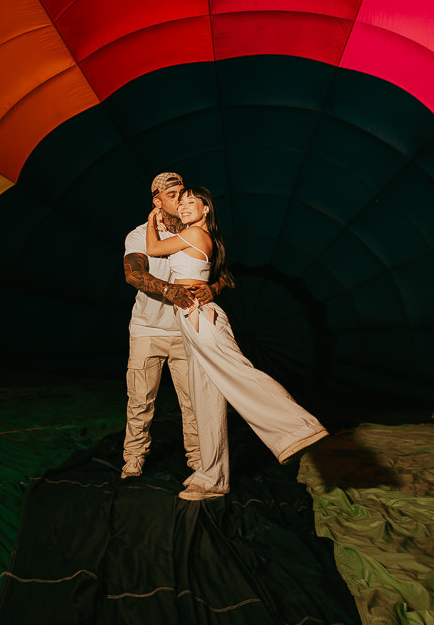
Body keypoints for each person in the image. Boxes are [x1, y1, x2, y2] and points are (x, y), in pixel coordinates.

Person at [146, 186, 328, 501]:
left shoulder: (195, 235)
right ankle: (213, 477)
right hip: (190, 318)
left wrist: (152, 222)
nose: (186, 205)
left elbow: (152, 249)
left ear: (207, 211)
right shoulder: (193, 236)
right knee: (206, 399)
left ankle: (300, 429)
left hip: (200, 317)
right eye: (183, 201)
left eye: (194, 202)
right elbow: (218, 275)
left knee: (238, 372)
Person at [121, 172, 215, 481]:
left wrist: (215, 289)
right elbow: (133, 274)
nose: (180, 199)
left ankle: (200, 459)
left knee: (193, 402)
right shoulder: (139, 235)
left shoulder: (198, 232)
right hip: (148, 331)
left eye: (183, 194)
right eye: (172, 195)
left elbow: (226, 273)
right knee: (140, 402)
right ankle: (133, 461)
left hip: (186, 331)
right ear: (157, 201)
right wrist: (168, 290)